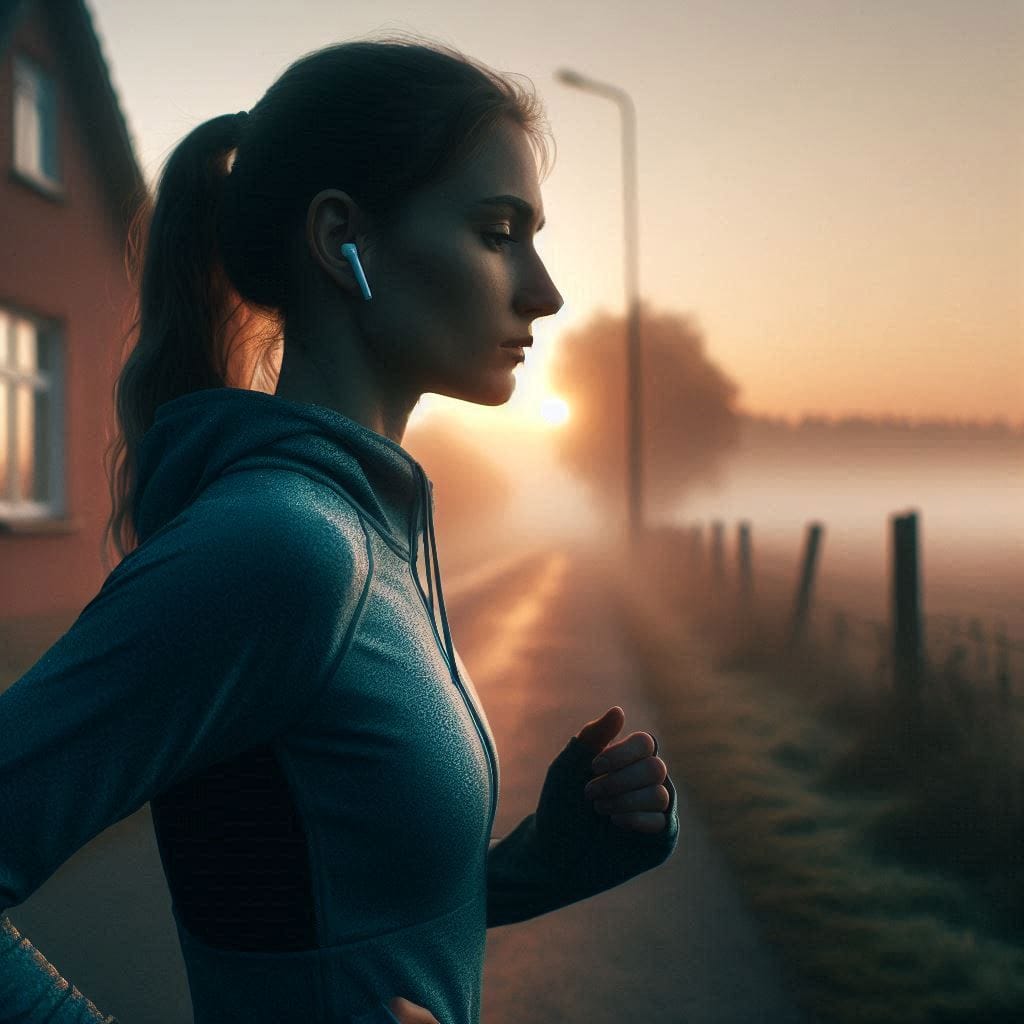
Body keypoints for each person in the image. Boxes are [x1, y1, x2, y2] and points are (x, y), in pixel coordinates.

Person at [0, 32, 679, 1024]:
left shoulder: (372, 529)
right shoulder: (282, 549)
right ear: (339, 241)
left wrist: (549, 860)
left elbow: (339, 923)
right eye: (498, 231)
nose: (544, 289)